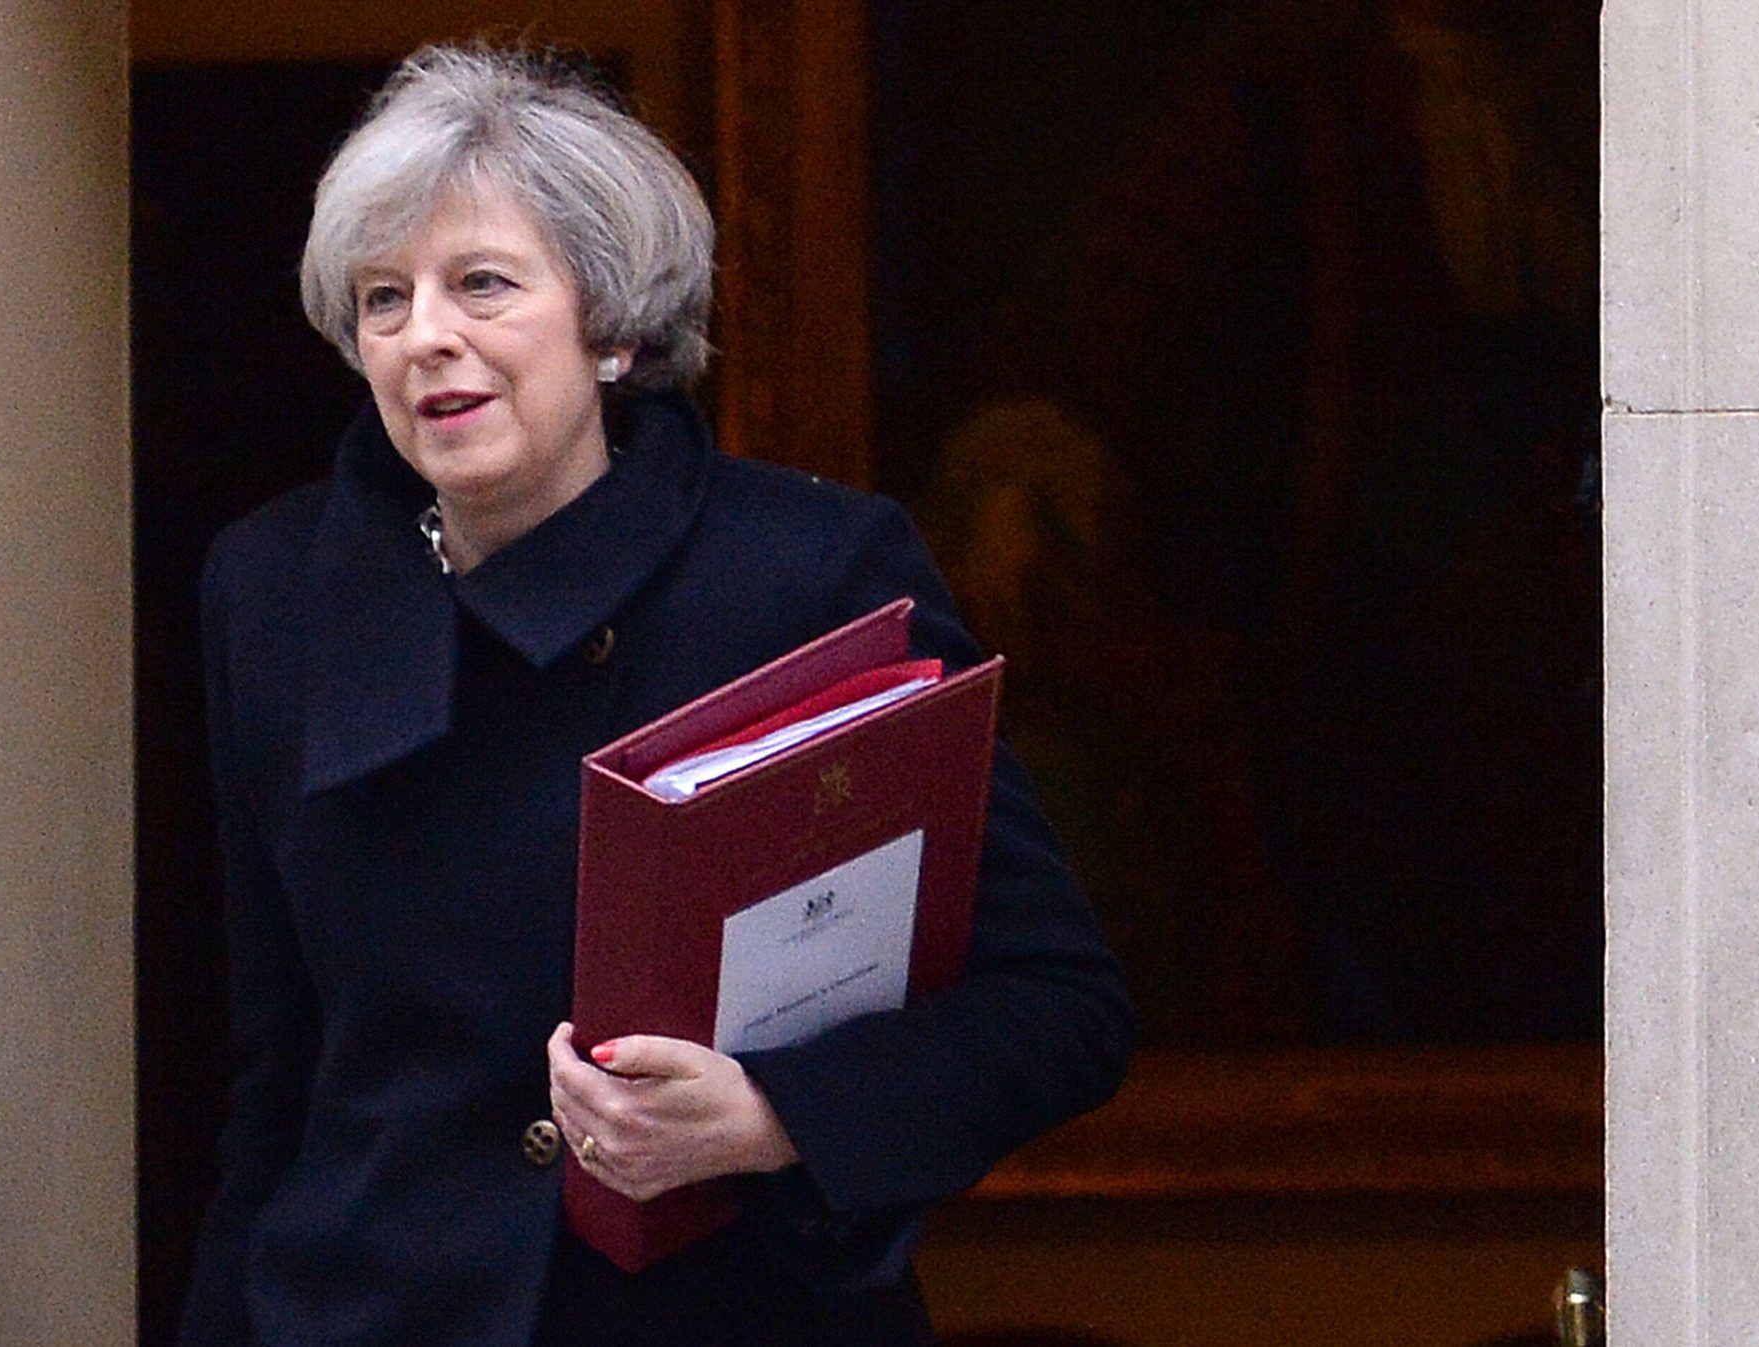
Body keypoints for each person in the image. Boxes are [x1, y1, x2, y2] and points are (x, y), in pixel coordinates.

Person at [177, 43, 1134, 1347]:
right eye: (382, 299)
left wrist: (776, 1116)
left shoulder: (808, 572)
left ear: (613, 324)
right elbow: (278, 1072)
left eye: (483, 285)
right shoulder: (274, 589)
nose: (426, 336)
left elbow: (1056, 1008)